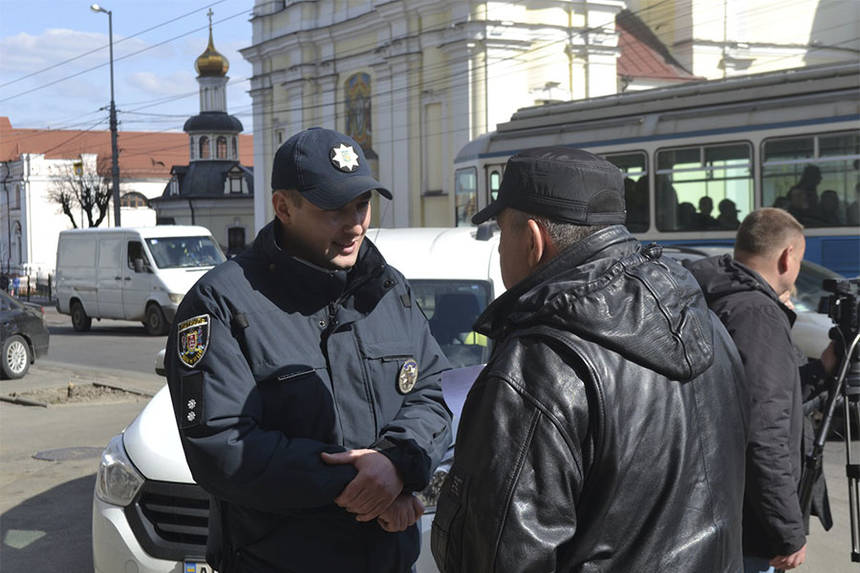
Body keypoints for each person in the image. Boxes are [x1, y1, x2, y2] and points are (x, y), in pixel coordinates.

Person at [431, 147, 749, 572]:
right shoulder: (707, 323)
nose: (500, 247)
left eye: (502, 233)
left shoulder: (538, 367)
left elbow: (503, 556)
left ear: (532, 240)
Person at [165, 127, 452, 573]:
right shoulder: (220, 303)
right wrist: (366, 485)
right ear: (284, 207)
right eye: (334, 210)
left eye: (362, 204)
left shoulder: (388, 289)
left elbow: (431, 392)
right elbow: (221, 446)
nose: (355, 224)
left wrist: (397, 464)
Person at [686, 208, 836, 573]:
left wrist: (823, 369)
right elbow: (764, 433)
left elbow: (760, 396)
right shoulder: (757, 315)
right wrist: (787, 530)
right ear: (787, 257)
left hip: (713, 512)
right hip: (747, 529)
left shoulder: (713, 295)